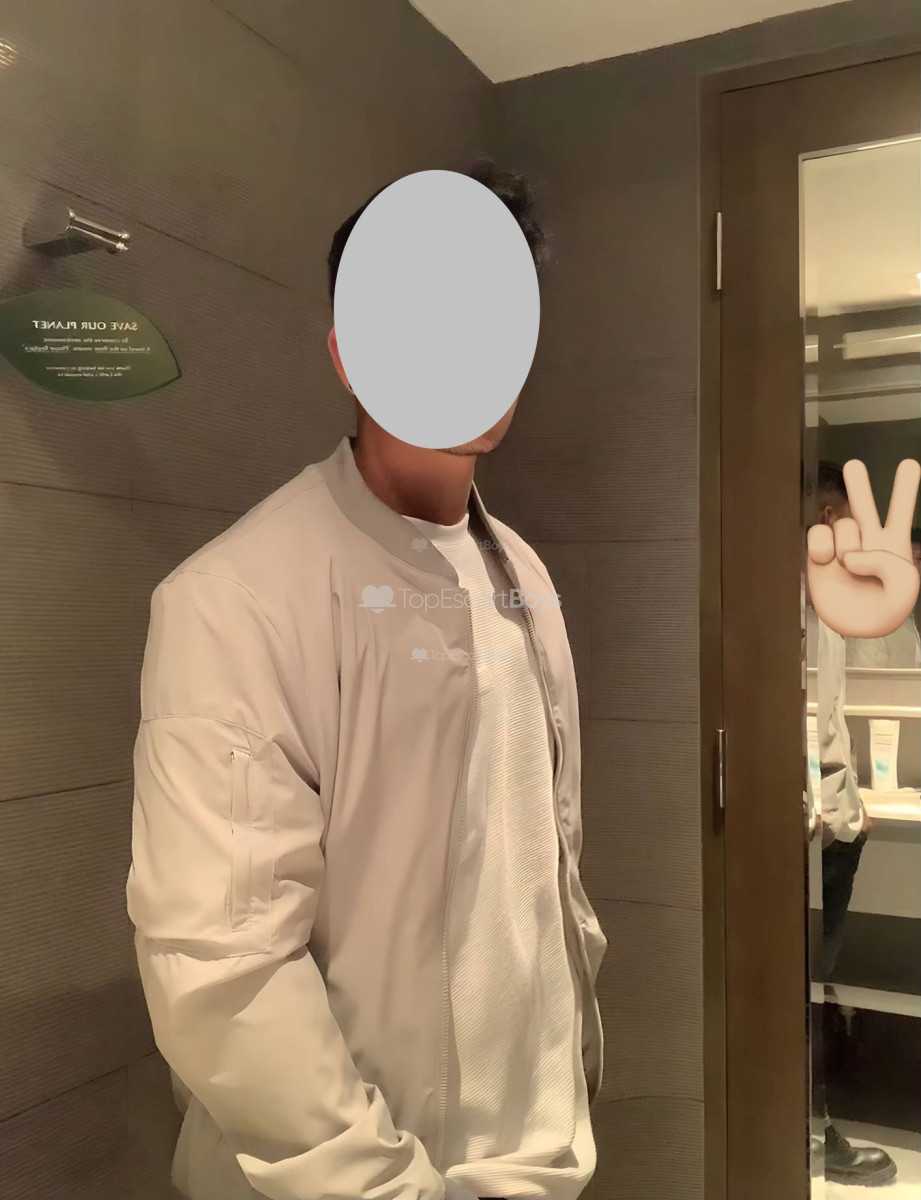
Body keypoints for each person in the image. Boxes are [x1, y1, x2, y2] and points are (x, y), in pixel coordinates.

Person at [126, 161, 606, 1200]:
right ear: (349, 353)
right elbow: (224, 974)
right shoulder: (234, 599)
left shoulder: (525, 575)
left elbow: (540, 866)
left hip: (541, 1160)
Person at [805, 461, 897, 1187]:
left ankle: (808, 1125)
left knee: (810, 980)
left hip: (831, 819)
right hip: (806, 823)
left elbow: (827, 715)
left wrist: (852, 807)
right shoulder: (788, 591)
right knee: (797, 984)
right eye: (838, 513)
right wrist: (830, 811)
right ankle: (809, 1134)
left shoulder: (828, 593)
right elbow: (796, 717)